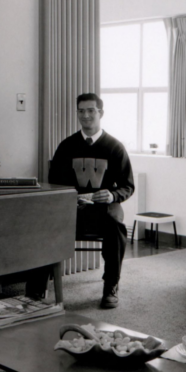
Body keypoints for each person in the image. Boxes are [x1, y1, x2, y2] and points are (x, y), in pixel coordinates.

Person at [31, 93, 135, 308]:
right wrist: (71, 198)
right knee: (42, 225)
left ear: (101, 113)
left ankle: (111, 287)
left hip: (104, 210)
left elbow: (128, 185)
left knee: (116, 226)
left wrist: (113, 195)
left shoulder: (115, 147)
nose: (85, 115)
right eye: (81, 111)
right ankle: (36, 289)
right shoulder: (67, 146)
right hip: (72, 209)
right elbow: (54, 183)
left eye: (91, 111)